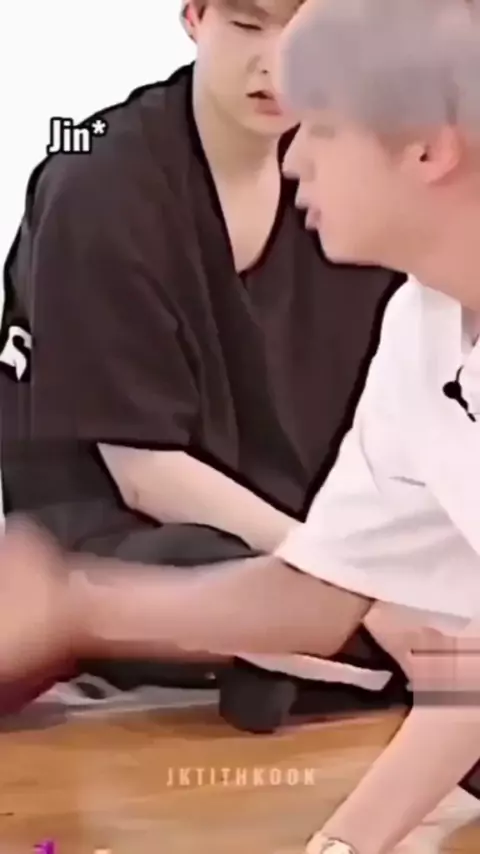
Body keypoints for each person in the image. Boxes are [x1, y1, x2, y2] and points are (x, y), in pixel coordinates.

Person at [6, 0, 480, 850]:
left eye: (322, 126)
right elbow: (324, 588)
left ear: (427, 150)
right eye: (248, 25)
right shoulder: (421, 325)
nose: (294, 157)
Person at [0, 0, 402, 719]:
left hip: (296, 528)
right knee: (217, 584)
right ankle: (297, 648)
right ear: (194, 17)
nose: (277, 65)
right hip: (122, 534)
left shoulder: (352, 164)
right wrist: (342, 575)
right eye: (247, 26)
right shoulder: (99, 185)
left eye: (306, 34)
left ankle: (300, 653)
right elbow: (145, 473)